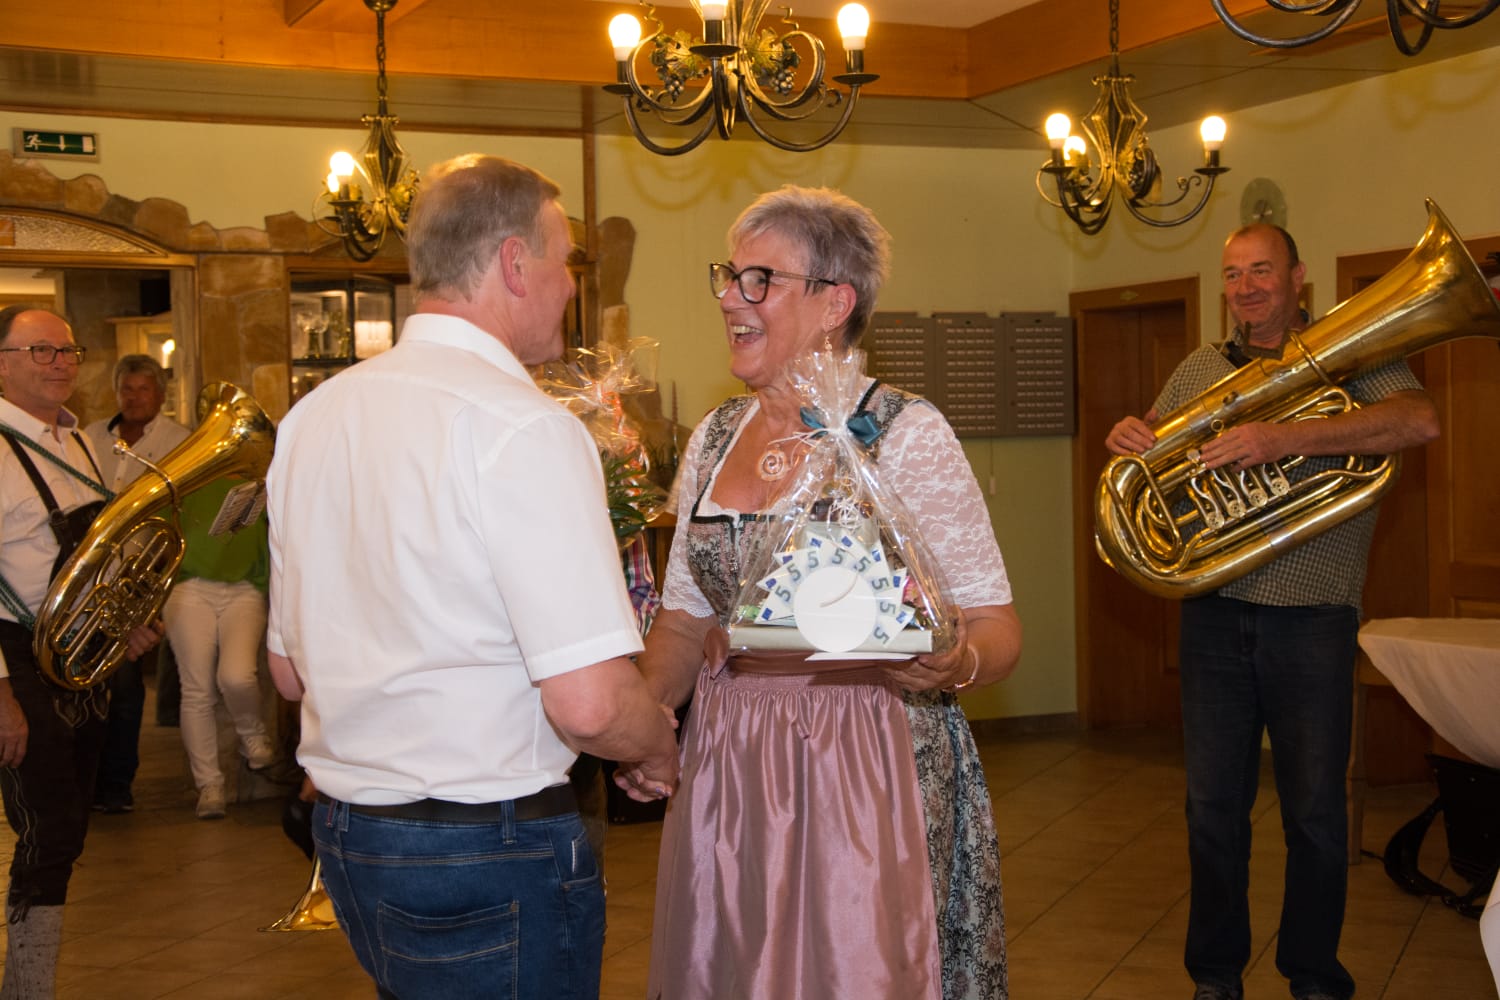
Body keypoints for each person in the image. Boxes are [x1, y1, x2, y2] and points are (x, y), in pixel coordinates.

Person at [264, 154, 680, 1000]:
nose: (570, 286)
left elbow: (288, 671)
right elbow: (591, 704)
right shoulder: (522, 427)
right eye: (564, 260)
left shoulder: (313, 416)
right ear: (514, 264)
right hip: (486, 847)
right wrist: (657, 747)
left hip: (350, 837)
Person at [622, 186, 1023, 1000]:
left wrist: (957, 664)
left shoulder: (905, 432)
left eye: (760, 280)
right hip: (732, 765)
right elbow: (683, 619)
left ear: (835, 303)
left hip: (868, 766)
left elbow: (997, 626)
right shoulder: (714, 438)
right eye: (730, 276)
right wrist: (646, 716)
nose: (731, 298)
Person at [1104, 224, 1441, 1000]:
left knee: (1316, 814)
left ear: (1297, 278)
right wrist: (1132, 439)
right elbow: (1153, 464)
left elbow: (1418, 420)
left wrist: (1281, 438)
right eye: (1232, 274)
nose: (1246, 287)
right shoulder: (1200, 367)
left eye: (1261, 270)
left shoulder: (1349, 352)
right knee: (1210, 811)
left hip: (1313, 616)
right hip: (1214, 616)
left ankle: (1314, 977)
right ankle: (1215, 976)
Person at [0, 306, 162, 997]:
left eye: (68, 350)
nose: (61, 363)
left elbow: (98, 555)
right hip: (14, 654)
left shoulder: (81, 444)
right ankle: (25, 988)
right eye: (41, 350)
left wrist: (124, 622)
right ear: (1, 362)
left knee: (69, 829)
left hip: (79, 653)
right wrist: (0, 692)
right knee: (49, 829)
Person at [84, 353, 189, 812]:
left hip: (137, 576)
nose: (134, 397)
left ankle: (116, 785)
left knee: (125, 687)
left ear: (160, 395)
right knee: (85, 686)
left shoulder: (177, 441)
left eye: (144, 389)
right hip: (90, 575)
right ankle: (87, 780)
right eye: (127, 389)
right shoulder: (90, 436)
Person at [163, 476, 276, 820]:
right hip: (189, 586)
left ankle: (251, 733)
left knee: (237, 676)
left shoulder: (261, 478)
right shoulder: (185, 478)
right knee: (196, 690)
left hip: (245, 587)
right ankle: (209, 784)